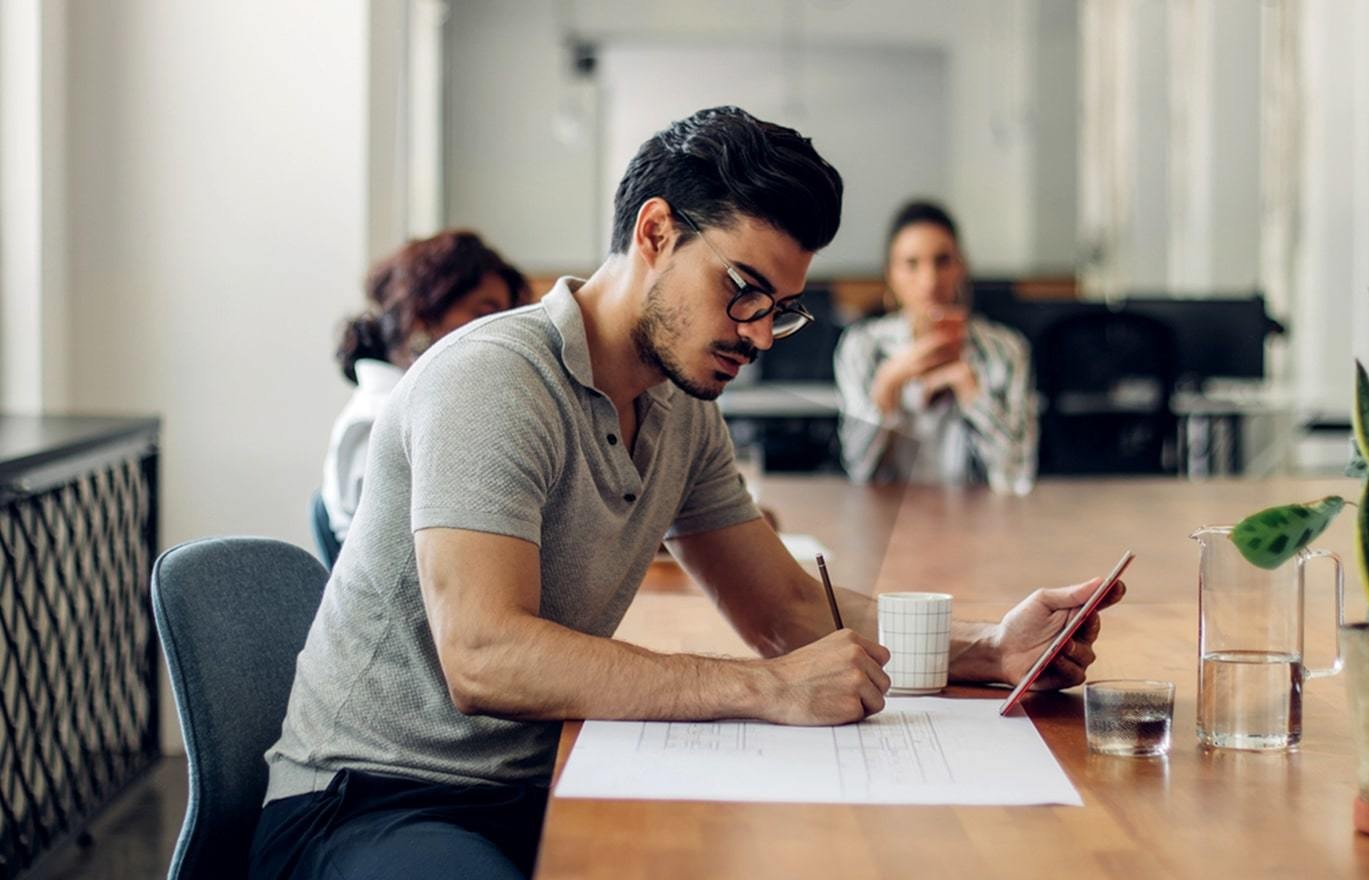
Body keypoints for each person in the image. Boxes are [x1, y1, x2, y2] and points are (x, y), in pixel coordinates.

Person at [252, 107, 1122, 880]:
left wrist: (989, 648)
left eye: (779, 309)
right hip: (375, 800)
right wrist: (767, 690)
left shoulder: (678, 404)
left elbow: (783, 602)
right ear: (656, 232)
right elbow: (484, 655)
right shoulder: (493, 380)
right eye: (743, 292)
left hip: (544, 776)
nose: (758, 336)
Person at [321, 229, 530, 543]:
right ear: (422, 317)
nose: (500, 330)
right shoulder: (374, 422)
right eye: (484, 313)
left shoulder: (432, 408)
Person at [834, 201, 1038, 493]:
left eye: (942, 261)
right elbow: (859, 472)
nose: (929, 281)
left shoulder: (1007, 350)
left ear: (961, 268)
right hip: (888, 523)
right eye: (911, 264)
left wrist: (971, 392)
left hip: (980, 523)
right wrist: (888, 384)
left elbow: (1017, 477)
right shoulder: (862, 347)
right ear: (890, 274)